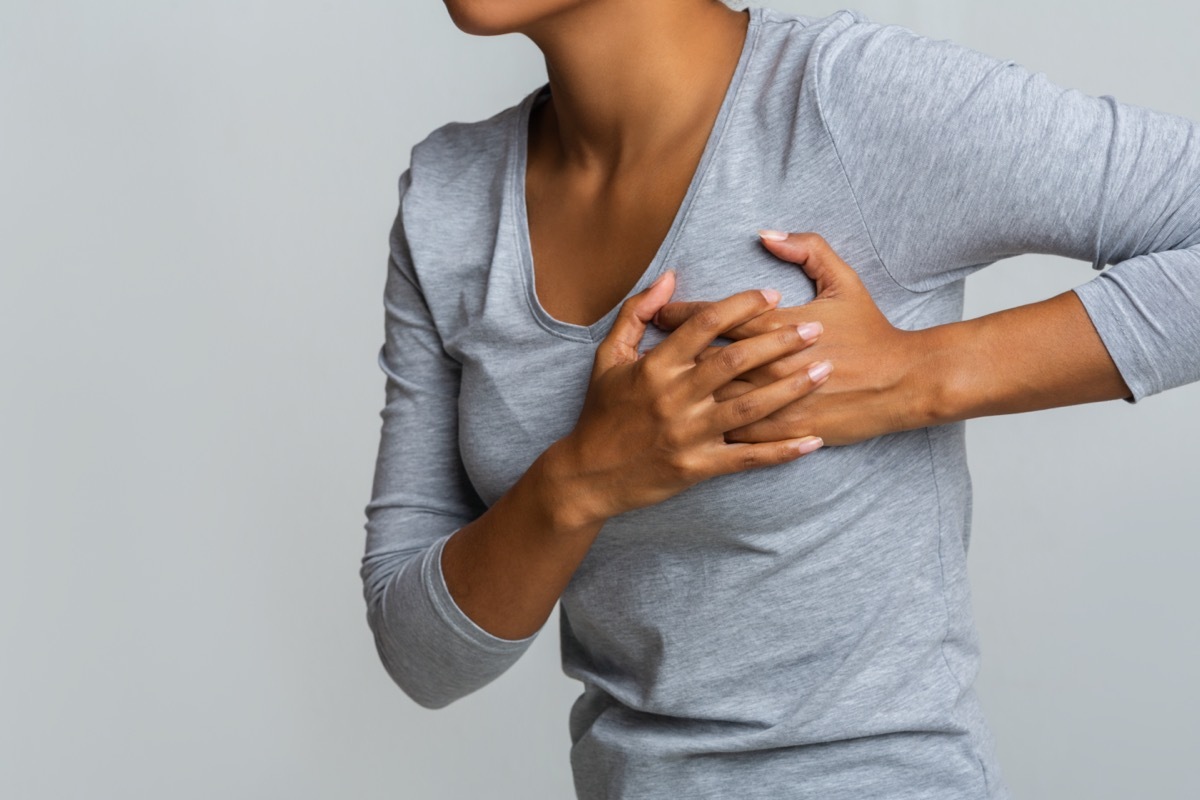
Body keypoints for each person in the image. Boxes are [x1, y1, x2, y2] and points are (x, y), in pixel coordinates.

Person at [360, 2, 1200, 798]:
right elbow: (422, 654)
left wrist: (916, 377)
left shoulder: (842, 105)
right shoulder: (450, 197)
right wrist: (580, 479)